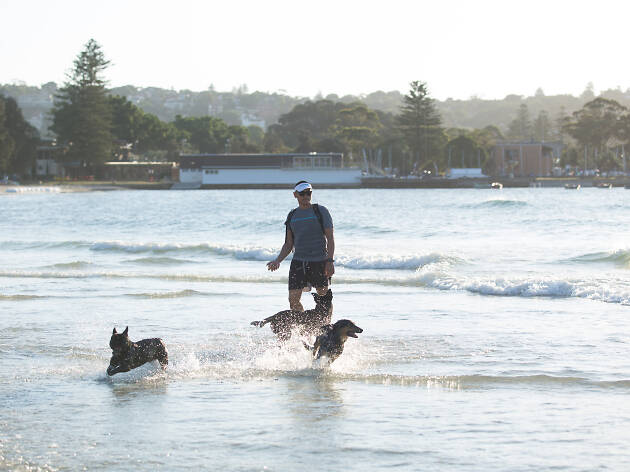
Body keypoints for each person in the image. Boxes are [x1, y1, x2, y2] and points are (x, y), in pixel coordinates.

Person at [267, 181, 334, 312]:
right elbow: (288, 244)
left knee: (323, 295)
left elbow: (330, 239)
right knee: (293, 300)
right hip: (298, 262)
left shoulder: (320, 211)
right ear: (295, 195)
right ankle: (303, 327)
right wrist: (277, 260)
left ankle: (326, 324)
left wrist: (330, 261)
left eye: (308, 193)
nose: (305, 196)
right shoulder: (292, 215)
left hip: (319, 261)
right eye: (302, 193)